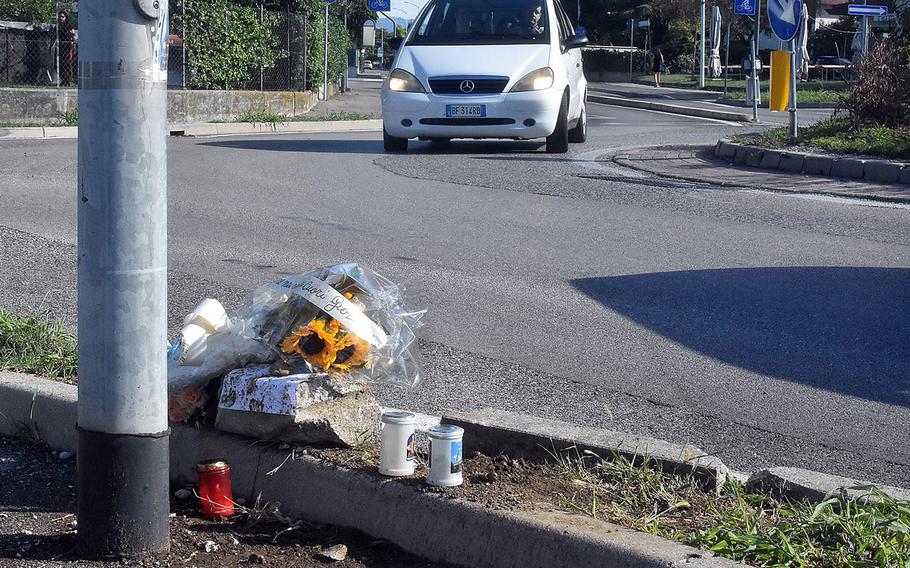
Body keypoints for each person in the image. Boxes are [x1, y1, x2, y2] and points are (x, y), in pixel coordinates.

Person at [57, 11, 77, 86]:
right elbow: (54, 36)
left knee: (66, 64)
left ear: (66, 17)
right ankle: (63, 79)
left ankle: (67, 80)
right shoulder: (58, 26)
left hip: (67, 47)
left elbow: (73, 35)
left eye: (63, 17)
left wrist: (73, 43)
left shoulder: (68, 25)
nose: (61, 18)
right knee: (59, 64)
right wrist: (51, 46)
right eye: (60, 16)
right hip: (59, 47)